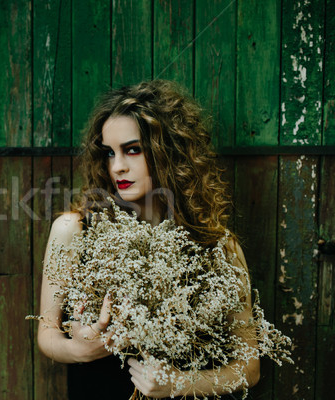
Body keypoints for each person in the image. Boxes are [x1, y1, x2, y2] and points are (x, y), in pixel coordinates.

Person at [36, 80, 260, 399]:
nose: (118, 167)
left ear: (168, 150)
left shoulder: (218, 246)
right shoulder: (73, 230)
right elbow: (47, 335)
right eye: (109, 153)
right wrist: (79, 349)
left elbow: (249, 368)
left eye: (132, 149)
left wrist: (180, 382)